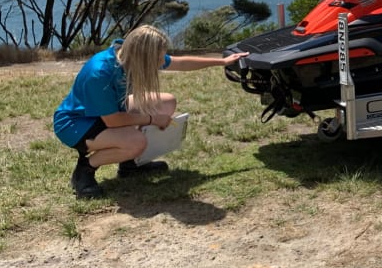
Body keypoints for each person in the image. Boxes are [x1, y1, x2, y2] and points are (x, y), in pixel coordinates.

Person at [53, 25, 248, 199]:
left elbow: (181, 63)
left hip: (109, 110)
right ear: (142, 56)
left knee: (167, 102)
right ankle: (85, 169)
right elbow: (112, 120)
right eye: (157, 58)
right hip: (78, 124)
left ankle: (130, 164)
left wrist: (221, 62)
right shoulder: (100, 72)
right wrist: (152, 119)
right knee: (137, 141)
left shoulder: (131, 54)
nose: (160, 62)